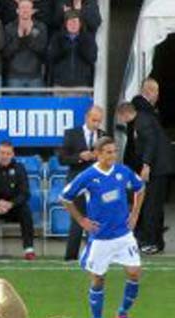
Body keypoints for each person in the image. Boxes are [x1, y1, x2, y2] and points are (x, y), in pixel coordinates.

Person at [61, 137, 145, 318]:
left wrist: (135, 213)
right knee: (98, 280)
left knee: (134, 273)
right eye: (108, 152)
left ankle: (122, 313)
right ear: (97, 154)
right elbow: (65, 197)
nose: (113, 155)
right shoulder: (88, 176)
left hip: (123, 235)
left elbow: (140, 187)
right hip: (101, 238)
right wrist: (81, 220)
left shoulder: (123, 171)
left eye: (115, 151)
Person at [116, 102, 174, 255]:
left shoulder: (142, 123)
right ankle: (157, 242)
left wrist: (146, 165)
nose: (120, 120)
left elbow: (151, 143)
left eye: (120, 117)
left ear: (124, 114)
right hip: (158, 169)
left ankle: (150, 242)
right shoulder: (140, 120)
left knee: (150, 206)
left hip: (157, 169)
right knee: (154, 205)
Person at [59, 105, 105, 261]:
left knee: (96, 219)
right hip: (77, 181)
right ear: (87, 118)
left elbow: (109, 161)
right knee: (78, 219)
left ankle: (95, 256)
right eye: (94, 120)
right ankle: (70, 257)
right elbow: (62, 158)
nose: (96, 124)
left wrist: (99, 157)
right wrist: (80, 156)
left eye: (99, 121)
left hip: (96, 182)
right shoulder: (72, 134)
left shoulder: (104, 136)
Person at [3, 0, 47, 88]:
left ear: (32, 11)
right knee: (15, 102)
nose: (25, 10)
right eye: (22, 8)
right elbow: (6, 53)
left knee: (36, 102)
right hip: (14, 76)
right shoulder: (9, 28)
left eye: (28, 8)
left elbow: (42, 51)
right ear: (17, 11)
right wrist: (19, 38)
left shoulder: (40, 27)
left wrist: (28, 36)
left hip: (35, 76)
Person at [49, 10, 97, 88]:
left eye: (75, 22)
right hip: (60, 85)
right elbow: (51, 57)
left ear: (80, 24)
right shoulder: (57, 38)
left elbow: (92, 58)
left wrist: (81, 45)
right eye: (70, 23)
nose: (73, 25)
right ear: (65, 24)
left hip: (82, 85)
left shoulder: (87, 38)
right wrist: (63, 49)